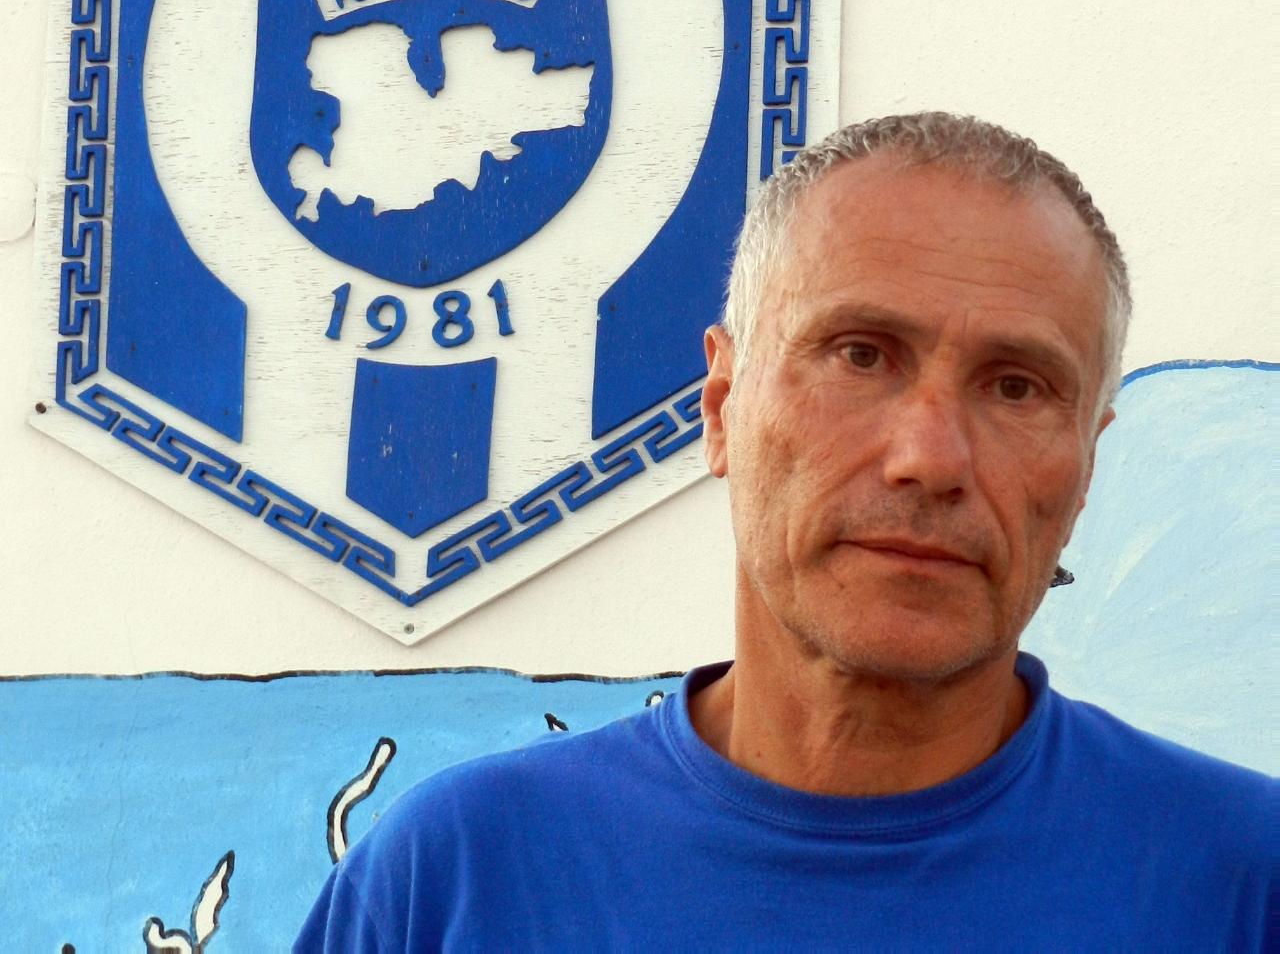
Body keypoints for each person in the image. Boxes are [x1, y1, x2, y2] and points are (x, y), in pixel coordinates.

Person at [295, 113, 1272, 950]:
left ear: (1087, 461)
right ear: (721, 405)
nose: (929, 457)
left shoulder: (1237, 885)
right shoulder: (458, 879)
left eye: (1016, 386)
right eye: (860, 355)